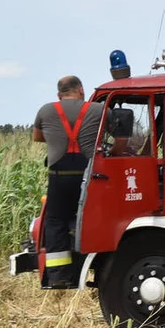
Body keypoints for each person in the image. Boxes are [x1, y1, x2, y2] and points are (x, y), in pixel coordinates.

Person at [32, 75, 103, 288]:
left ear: (58, 94)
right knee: (90, 221)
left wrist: (57, 136)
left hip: (59, 178)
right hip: (88, 178)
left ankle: (59, 277)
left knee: (55, 222)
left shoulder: (45, 110)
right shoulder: (98, 110)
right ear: (81, 90)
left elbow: (37, 137)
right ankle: (91, 271)